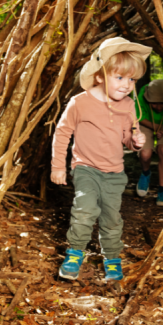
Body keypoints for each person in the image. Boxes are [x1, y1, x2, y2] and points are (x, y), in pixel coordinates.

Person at [51, 37, 151, 281]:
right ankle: (75, 252)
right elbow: (62, 133)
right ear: (99, 75)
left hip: (115, 173)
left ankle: (112, 258)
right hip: (86, 168)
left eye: (132, 79)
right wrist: (58, 167)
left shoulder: (128, 105)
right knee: (85, 209)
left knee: (112, 218)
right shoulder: (80, 103)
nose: (127, 85)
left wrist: (135, 142)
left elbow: (127, 137)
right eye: (120, 77)